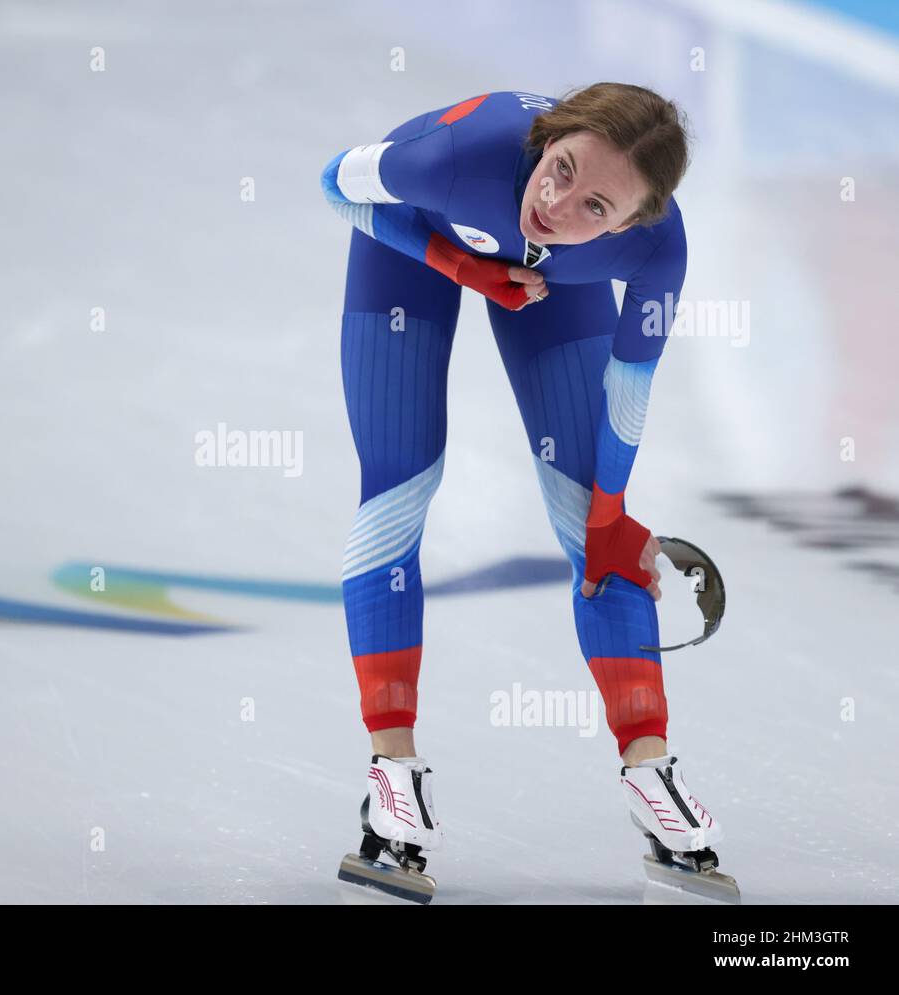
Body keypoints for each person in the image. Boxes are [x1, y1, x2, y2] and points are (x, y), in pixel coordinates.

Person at [322, 83, 722, 873]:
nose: (558, 203)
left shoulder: (657, 249)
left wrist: (612, 512)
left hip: (553, 287)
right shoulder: (455, 158)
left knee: (594, 527)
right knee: (399, 490)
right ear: (550, 136)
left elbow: (629, 390)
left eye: (595, 206)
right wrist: (457, 263)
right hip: (415, 244)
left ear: (631, 224)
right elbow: (336, 180)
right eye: (562, 167)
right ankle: (393, 773)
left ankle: (651, 770)